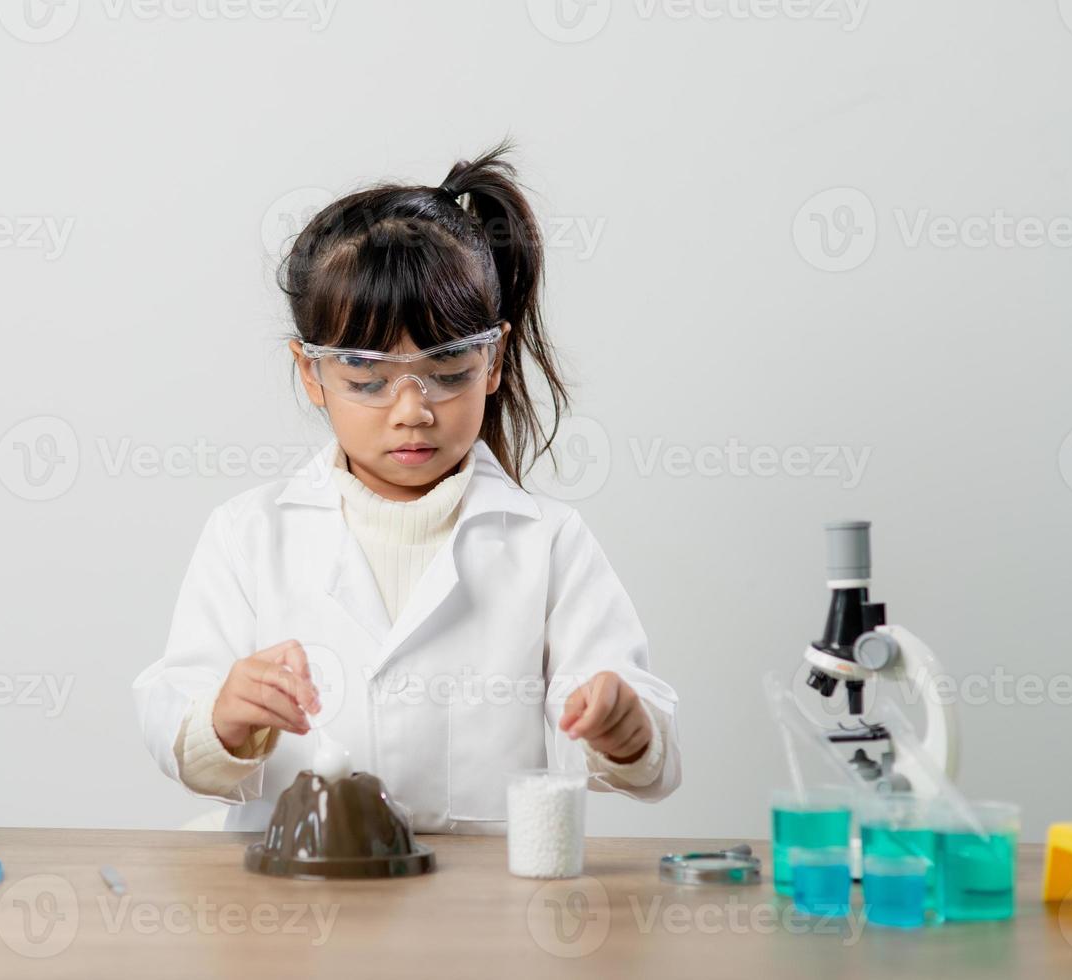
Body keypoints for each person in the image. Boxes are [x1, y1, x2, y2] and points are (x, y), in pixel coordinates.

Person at [133, 140, 680, 833]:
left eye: (448, 373)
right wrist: (225, 718)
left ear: (493, 361)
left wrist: (627, 730)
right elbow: (175, 728)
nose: (412, 410)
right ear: (311, 373)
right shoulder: (250, 533)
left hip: (475, 909)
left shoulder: (546, 544)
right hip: (299, 905)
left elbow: (650, 756)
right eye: (368, 381)